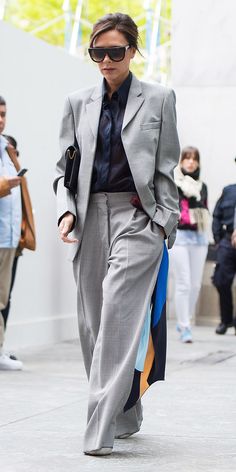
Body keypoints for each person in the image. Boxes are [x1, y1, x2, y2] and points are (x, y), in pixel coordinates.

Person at [54, 12, 180, 456]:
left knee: (116, 321)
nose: (106, 60)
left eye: (115, 51)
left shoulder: (160, 99)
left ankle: (99, 430)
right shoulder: (76, 102)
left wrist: (164, 221)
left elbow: (167, 167)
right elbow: (63, 170)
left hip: (137, 217)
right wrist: (65, 213)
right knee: (92, 325)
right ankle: (126, 411)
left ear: (133, 50)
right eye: (97, 52)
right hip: (90, 218)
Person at [170, 146, 209, 343]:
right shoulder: (174, 183)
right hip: (179, 236)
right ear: (181, 161)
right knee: (184, 282)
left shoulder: (202, 186)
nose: (191, 162)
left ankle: (185, 318)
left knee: (195, 285)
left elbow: (205, 209)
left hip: (199, 237)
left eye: (194, 158)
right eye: (187, 158)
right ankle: (185, 325)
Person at [0, 96, 23, 370]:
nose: (1, 119)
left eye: (3, 113)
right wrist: (6, 184)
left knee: (4, 296)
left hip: (9, 238)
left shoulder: (8, 148)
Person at [212, 184, 236, 335]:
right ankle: (226, 320)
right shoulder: (228, 190)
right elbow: (217, 215)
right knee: (221, 281)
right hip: (227, 241)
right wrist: (218, 239)